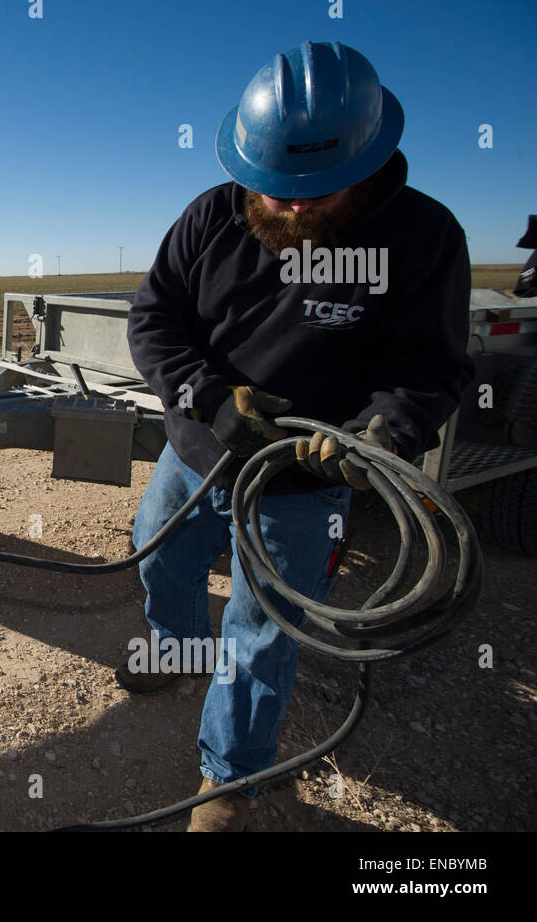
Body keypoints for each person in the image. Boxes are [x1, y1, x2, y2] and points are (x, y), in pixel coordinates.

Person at [122, 41, 474, 831]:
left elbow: (431, 368)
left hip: (307, 482)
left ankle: (231, 775)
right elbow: (154, 322)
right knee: (160, 551)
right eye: (275, 190)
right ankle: (174, 649)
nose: (291, 208)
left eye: (314, 193)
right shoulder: (212, 215)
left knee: (262, 627)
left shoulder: (422, 239)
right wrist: (209, 397)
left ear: (370, 159)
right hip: (197, 453)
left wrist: (381, 431)